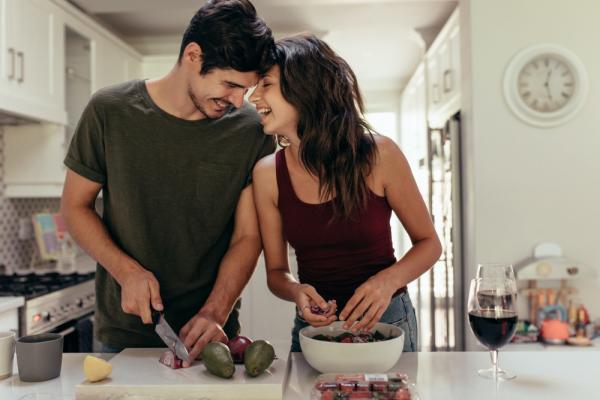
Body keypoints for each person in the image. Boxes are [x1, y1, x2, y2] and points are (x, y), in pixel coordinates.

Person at [60, 0, 275, 365]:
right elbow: (74, 207)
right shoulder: (109, 111)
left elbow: (247, 236)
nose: (239, 101)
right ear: (193, 55)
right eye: (230, 84)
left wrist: (215, 312)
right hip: (123, 337)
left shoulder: (250, 131)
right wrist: (126, 271)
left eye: (247, 89)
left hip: (212, 337)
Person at [249, 34, 442, 352]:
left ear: (303, 88)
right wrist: (297, 291)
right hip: (313, 332)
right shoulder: (267, 173)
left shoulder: (380, 155)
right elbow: (276, 272)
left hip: (388, 322)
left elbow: (430, 244)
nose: (253, 97)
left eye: (265, 84)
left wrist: (387, 282)